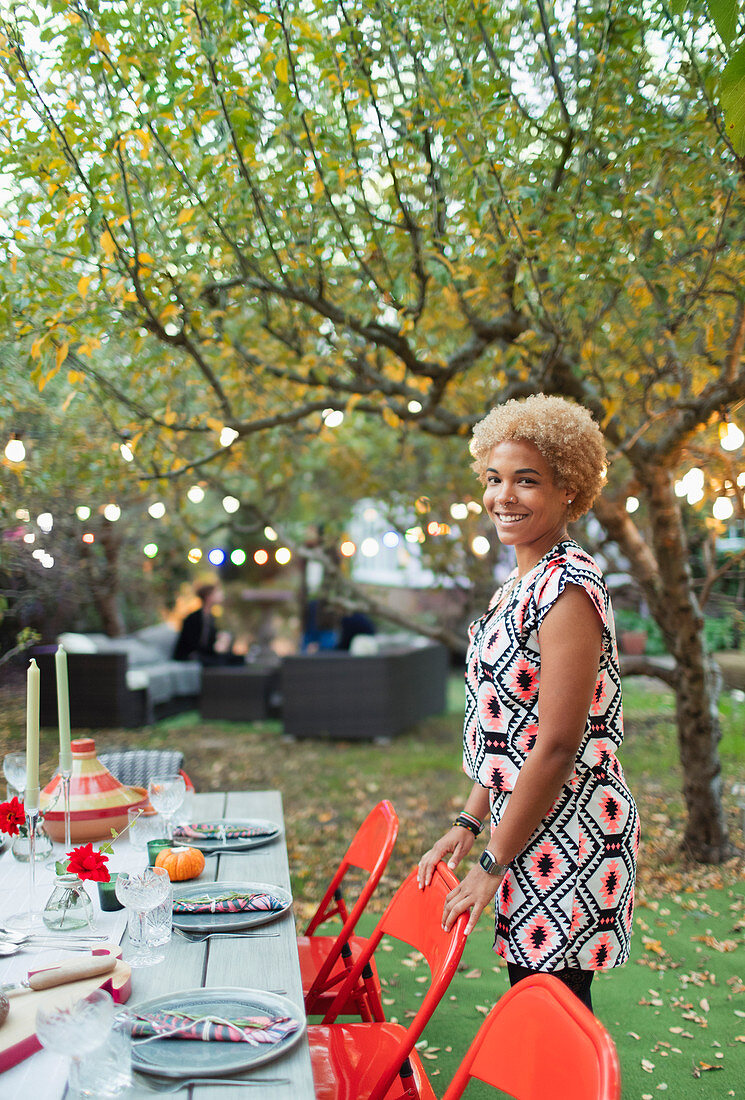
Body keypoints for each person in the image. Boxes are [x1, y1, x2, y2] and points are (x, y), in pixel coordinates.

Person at [418, 393, 639, 1013]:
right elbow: (506, 731)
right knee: (538, 1002)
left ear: (569, 490)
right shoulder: (522, 581)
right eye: (494, 479)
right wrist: (468, 824)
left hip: (572, 828)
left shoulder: (568, 585)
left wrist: (491, 862)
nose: (503, 497)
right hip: (527, 822)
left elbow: (559, 744)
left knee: (552, 1009)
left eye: (527, 481)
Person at [173, 583, 243, 665]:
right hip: (190, 655)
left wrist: (221, 639)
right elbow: (192, 644)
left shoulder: (211, 617)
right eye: (217, 592)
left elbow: (210, 644)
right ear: (208, 596)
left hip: (203, 654)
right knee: (220, 662)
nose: (221, 595)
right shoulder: (193, 618)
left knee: (238, 659)